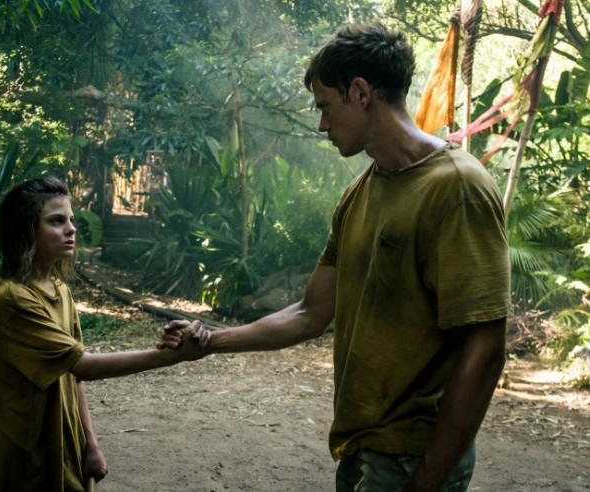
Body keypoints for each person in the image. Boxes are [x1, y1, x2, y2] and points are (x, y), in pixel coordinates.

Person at [162, 23, 510, 492]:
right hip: (361, 446)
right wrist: (209, 341)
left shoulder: (458, 187)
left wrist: (428, 480)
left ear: (361, 92)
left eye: (325, 106)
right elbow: (310, 313)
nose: (322, 125)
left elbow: (485, 348)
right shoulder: (358, 194)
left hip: (413, 456)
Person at [0, 176, 208, 492]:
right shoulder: (13, 299)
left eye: (72, 220)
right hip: (25, 456)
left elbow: (73, 374)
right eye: (56, 221)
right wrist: (168, 356)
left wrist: (89, 443)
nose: (71, 229)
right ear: (25, 229)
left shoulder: (59, 289)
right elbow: (85, 366)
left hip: (64, 443)